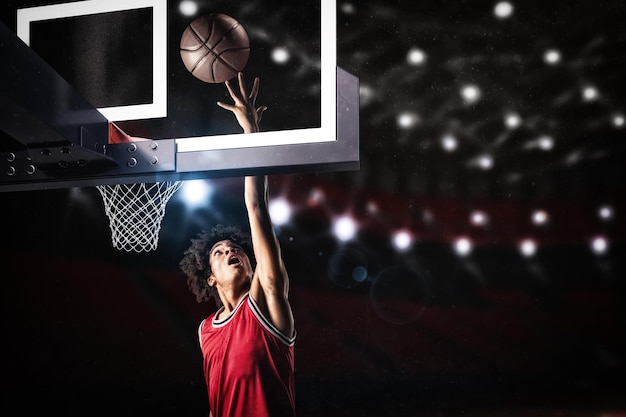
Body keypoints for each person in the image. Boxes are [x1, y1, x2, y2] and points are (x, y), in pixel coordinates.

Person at [179, 73, 297, 417]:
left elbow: (257, 208)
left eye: (236, 248)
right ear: (209, 278)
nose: (231, 251)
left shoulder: (266, 296)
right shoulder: (205, 331)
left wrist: (251, 134)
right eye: (219, 252)